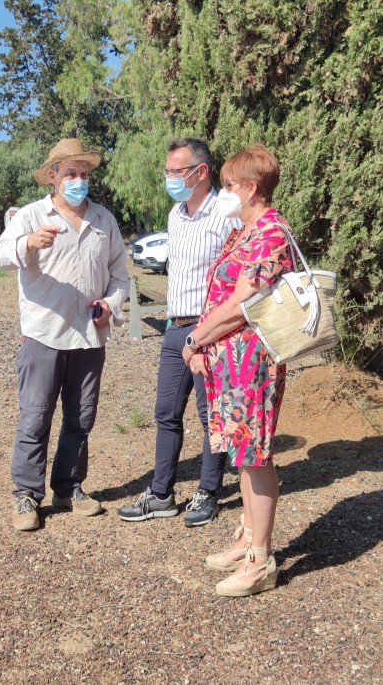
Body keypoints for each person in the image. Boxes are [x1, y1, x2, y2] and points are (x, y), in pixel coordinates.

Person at [0, 138, 130, 532]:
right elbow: (0, 256)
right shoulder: (33, 215)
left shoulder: (104, 220)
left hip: (89, 336)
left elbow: (120, 276)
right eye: (70, 173)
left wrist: (111, 304)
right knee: (35, 416)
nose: (78, 180)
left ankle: (69, 488)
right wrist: (27, 244)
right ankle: (26, 494)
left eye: (84, 174)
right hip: (43, 335)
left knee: (81, 418)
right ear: (53, 176)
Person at [183, 143, 291, 596]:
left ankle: (260, 561)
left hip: (253, 365)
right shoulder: (242, 231)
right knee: (241, 454)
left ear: (249, 189)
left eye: (228, 185)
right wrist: (205, 346)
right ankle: (247, 536)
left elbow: (239, 307)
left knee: (255, 456)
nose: (223, 192)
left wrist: (195, 339)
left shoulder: (271, 232)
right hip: (230, 364)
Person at [117, 138, 238, 526]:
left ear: (200, 171)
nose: (169, 178)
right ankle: (161, 493)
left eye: (176, 171)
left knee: (210, 416)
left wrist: (206, 335)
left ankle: (207, 492)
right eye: (167, 171)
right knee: (166, 412)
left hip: (210, 332)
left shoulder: (226, 214)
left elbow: (235, 281)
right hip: (176, 327)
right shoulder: (175, 215)